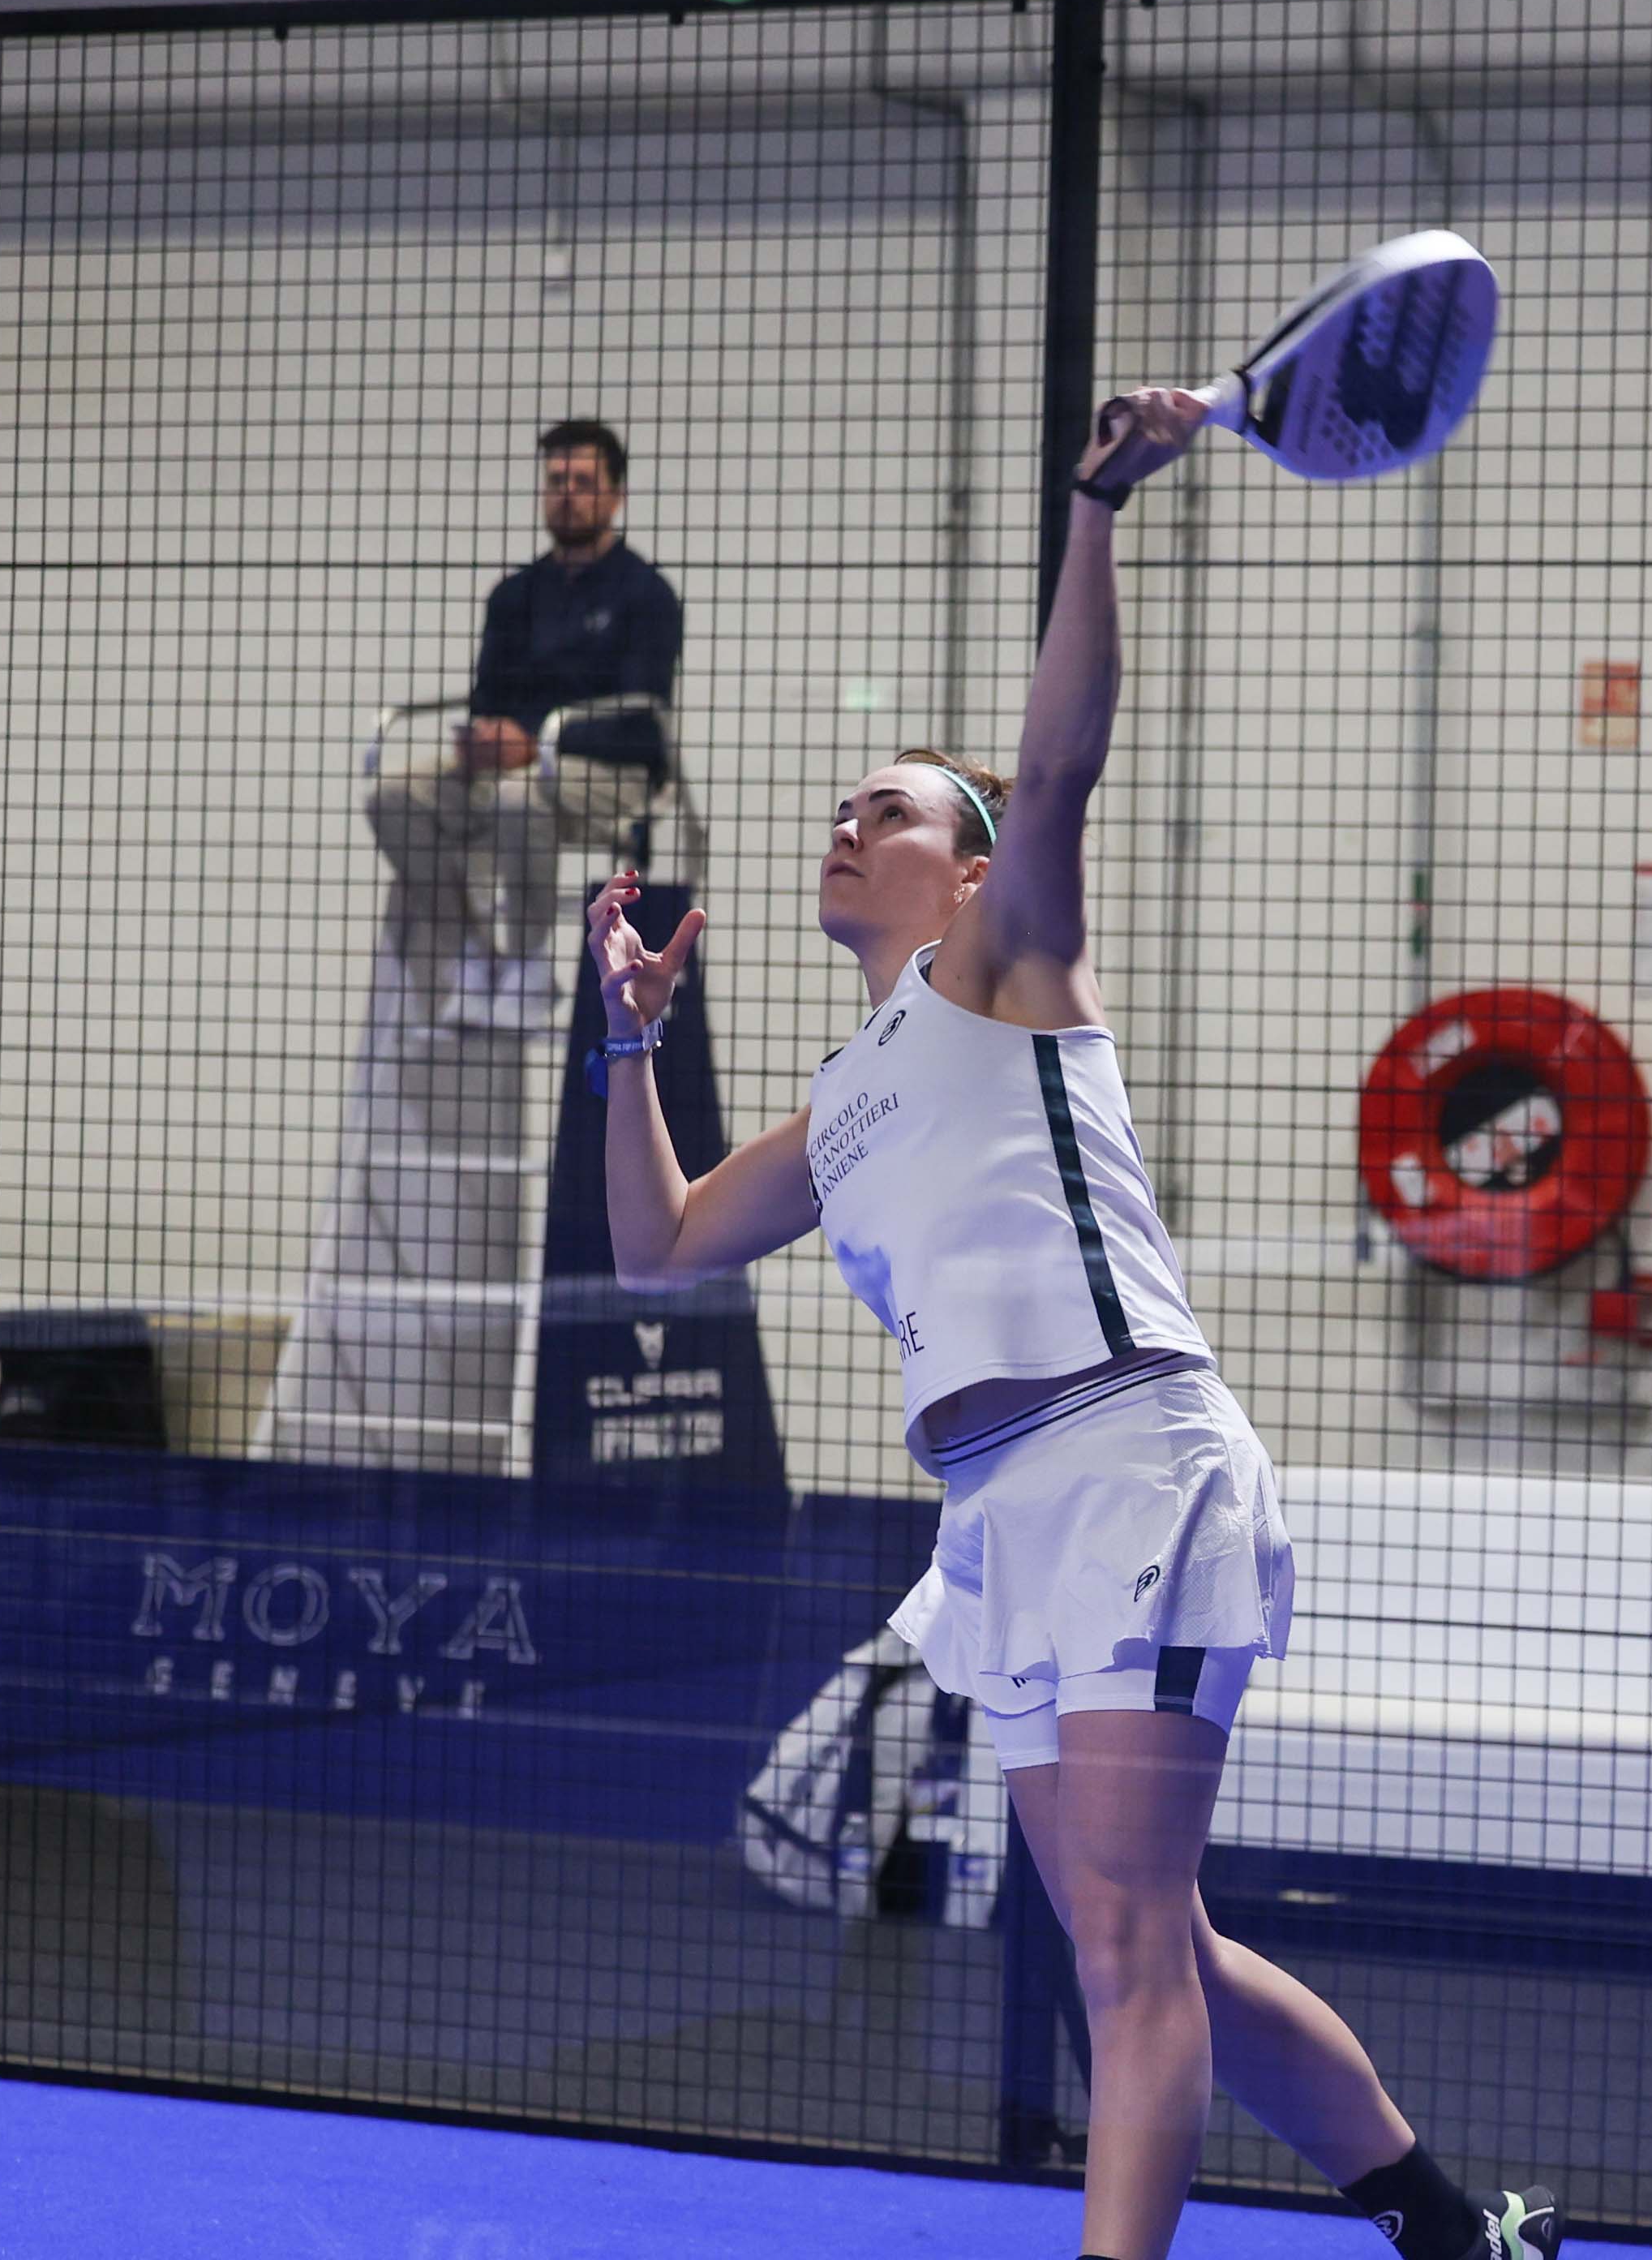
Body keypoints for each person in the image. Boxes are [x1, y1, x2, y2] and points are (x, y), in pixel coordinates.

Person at [583, 390, 1564, 2260]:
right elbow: (659, 1243)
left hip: (1130, 1463)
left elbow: (1057, 762)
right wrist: (628, 1044)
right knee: (1154, 1938)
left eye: (890, 808)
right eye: (841, 804)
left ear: (969, 869)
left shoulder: (1005, 963)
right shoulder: (845, 1094)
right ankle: (1458, 2234)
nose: (847, 820)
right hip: (999, 1517)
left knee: (1124, 1950)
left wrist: (1097, 511)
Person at [370, 419, 681, 1029]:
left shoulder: (646, 595)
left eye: (583, 482)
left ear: (616, 495)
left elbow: (644, 726)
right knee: (395, 796)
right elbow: (488, 697)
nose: (566, 493)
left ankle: (529, 965)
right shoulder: (513, 596)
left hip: (608, 772)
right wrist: (484, 739)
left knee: (519, 795)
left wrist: (536, 743)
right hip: (519, 763)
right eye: (556, 481)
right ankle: (473, 953)